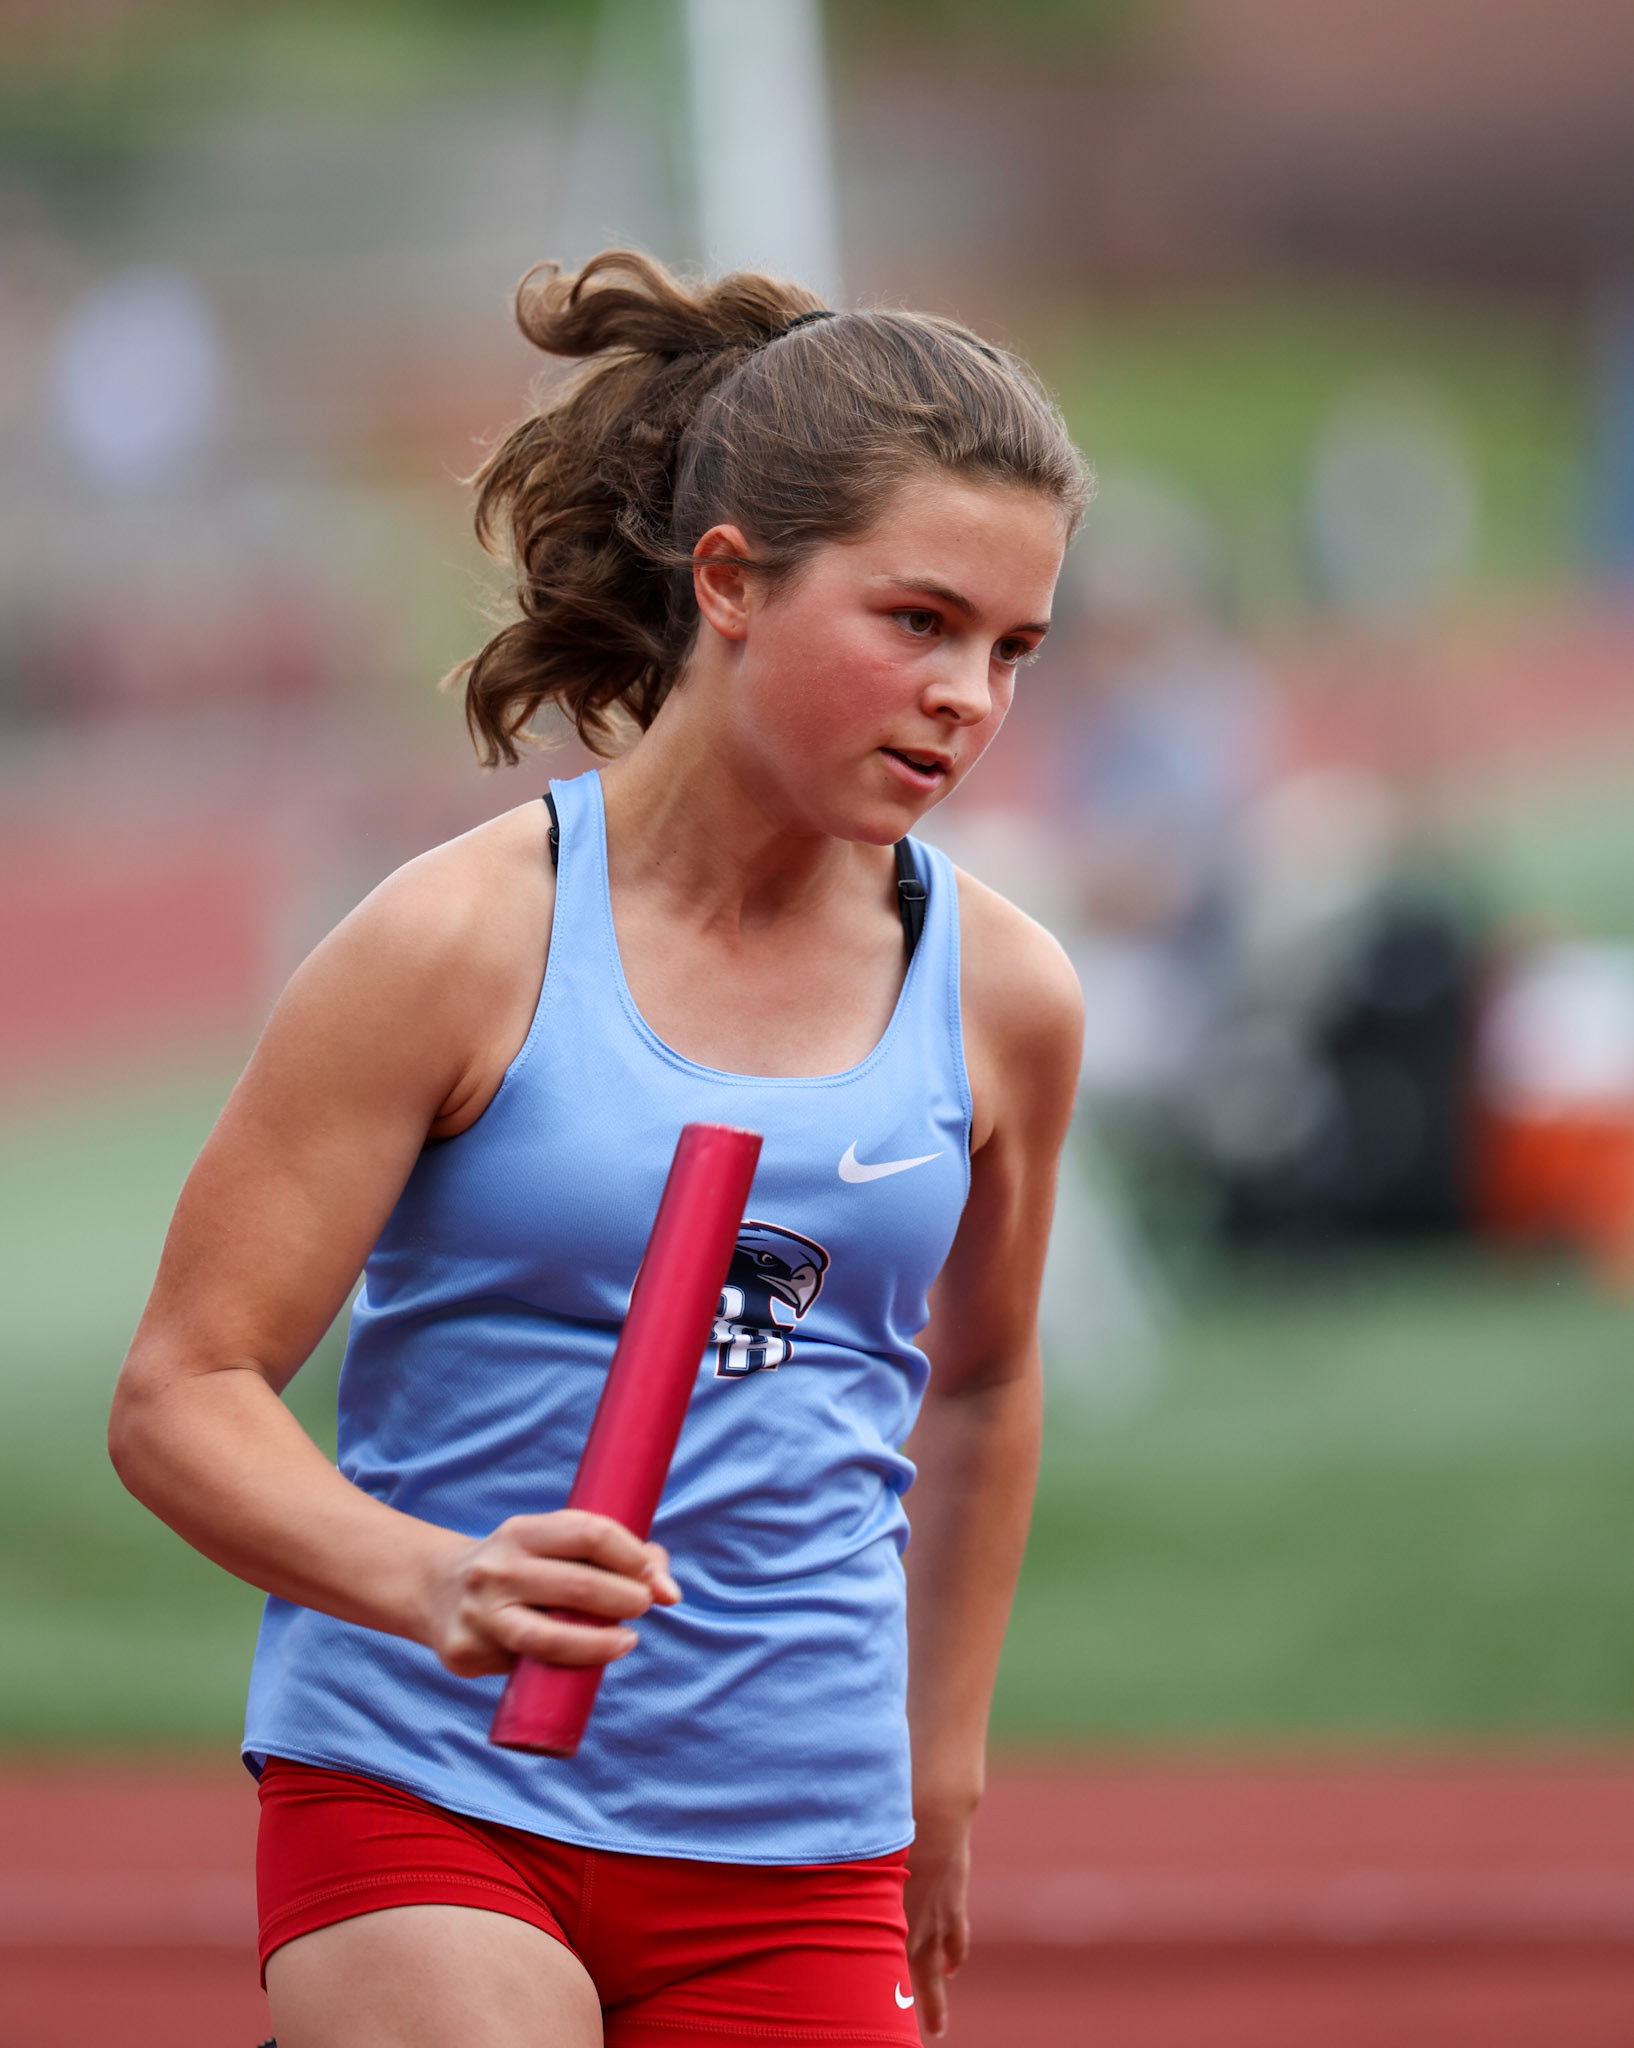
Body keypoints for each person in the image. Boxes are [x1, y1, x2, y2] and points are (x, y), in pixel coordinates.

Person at [109, 250, 1087, 2048]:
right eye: (919, 621)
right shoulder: (458, 943)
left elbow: (982, 1385)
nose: (970, 696)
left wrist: (938, 1767)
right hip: (425, 1782)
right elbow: (184, 1390)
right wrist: (431, 1580)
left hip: (797, 1838)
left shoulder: (1005, 996)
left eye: (1012, 648)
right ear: (730, 579)